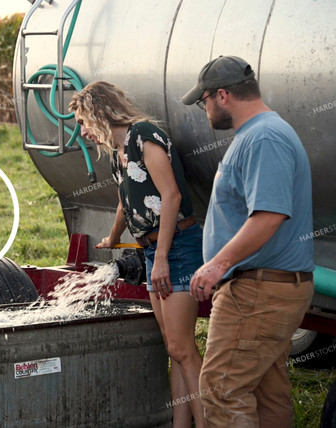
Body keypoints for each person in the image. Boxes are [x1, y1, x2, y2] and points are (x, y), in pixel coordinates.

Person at [183, 56, 315, 427]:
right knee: (264, 393)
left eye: (203, 100)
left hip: (258, 291)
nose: (204, 109)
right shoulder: (261, 133)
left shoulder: (264, 137)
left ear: (222, 95)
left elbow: (269, 215)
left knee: (221, 389)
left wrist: (217, 264)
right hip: (266, 288)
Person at [69, 81, 206, 428]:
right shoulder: (119, 152)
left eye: (84, 122)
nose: (83, 132)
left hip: (177, 247)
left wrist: (160, 259)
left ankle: (211, 423)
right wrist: (114, 236)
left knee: (184, 350)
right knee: (175, 348)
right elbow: (124, 198)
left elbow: (172, 196)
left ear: (99, 113)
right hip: (153, 251)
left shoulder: (143, 136)